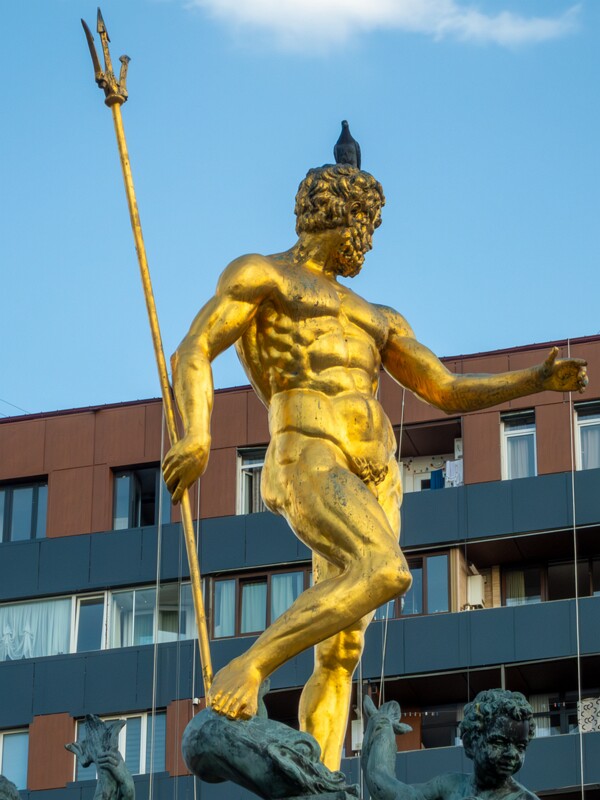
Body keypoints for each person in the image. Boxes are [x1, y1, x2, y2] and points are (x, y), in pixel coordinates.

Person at [162, 162, 587, 771]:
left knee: (342, 649)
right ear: (340, 215)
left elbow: (443, 387)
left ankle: (323, 772)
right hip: (307, 449)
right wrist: (198, 435)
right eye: (368, 223)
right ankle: (248, 665)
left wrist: (537, 381)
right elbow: (194, 348)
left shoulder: (379, 316)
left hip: (377, 472)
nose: (370, 238)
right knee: (385, 569)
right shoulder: (263, 275)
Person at [361, 689, 538, 800]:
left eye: (521, 746)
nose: (511, 753)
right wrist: (382, 728)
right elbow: (389, 791)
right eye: (499, 742)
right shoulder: (449, 785)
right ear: (470, 743)